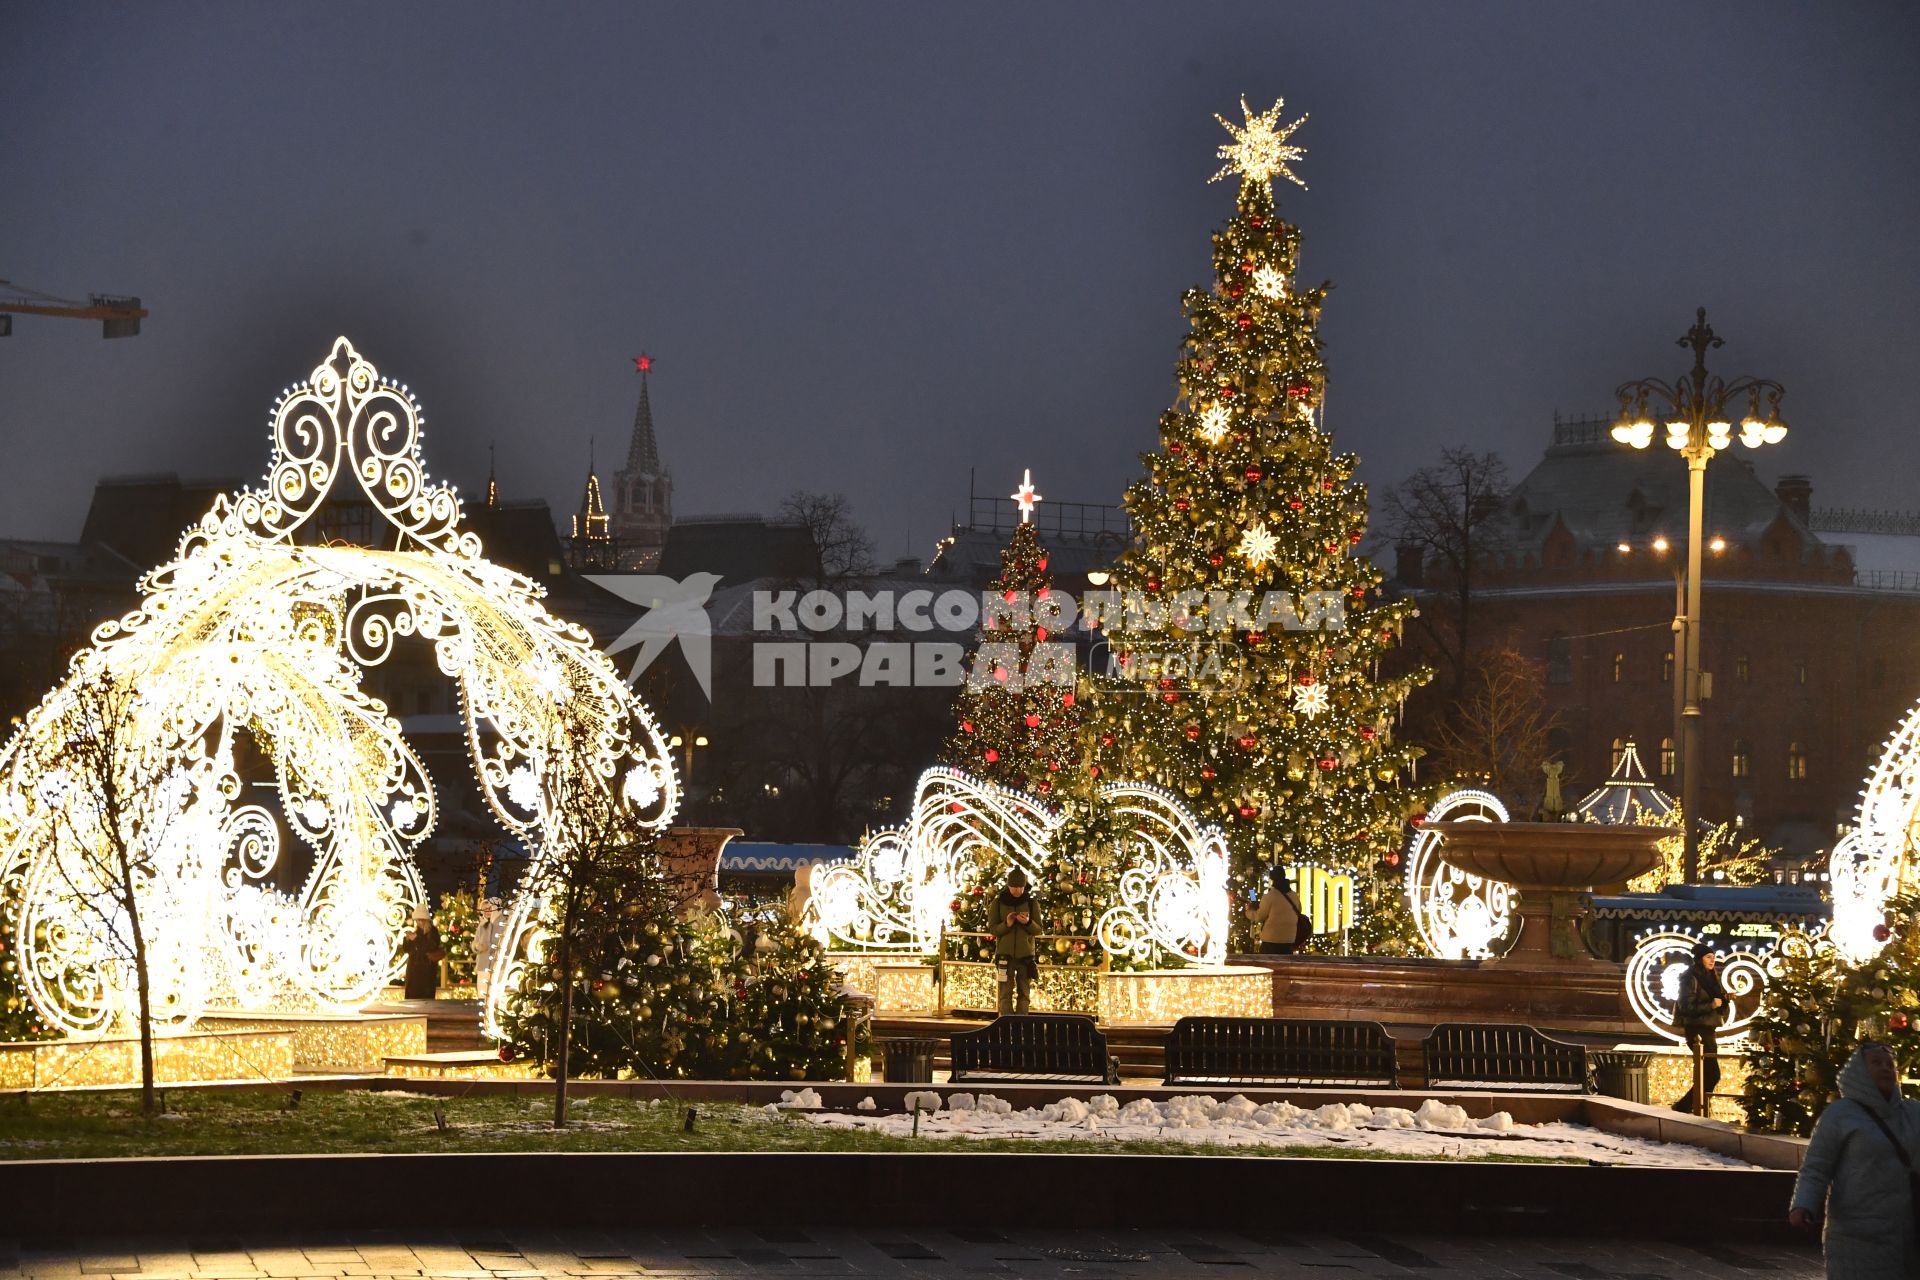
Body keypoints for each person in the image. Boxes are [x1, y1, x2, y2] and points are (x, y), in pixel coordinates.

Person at [1790, 1041, 1920, 1278]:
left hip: (1907, 1234)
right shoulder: (1840, 1115)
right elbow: (1816, 1167)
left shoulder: (1913, 1113)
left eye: (1890, 1064)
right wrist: (1803, 1205)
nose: (1885, 1068)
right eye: (1876, 1063)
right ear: (1860, 1071)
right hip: (1857, 1236)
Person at [1672, 939, 1728, 1113]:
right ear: (1699, 959)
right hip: (1697, 1031)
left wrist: (1725, 999)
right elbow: (1686, 1007)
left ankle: (1696, 1107)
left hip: (1709, 1029)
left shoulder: (1711, 976)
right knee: (1712, 1074)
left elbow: (1717, 1001)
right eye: (1709, 957)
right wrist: (1711, 1005)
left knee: (1707, 1075)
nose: (1712, 960)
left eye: (1714, 957)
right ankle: (1686, 1106)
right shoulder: (1690, 977)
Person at [987, 867, 1040, 1015]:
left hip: (1026, 957)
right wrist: (1007, 924)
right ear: (1008, 886)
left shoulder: (1031, 903)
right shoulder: (998, 903)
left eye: (1020, 887)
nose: (1017, 891)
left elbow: (1038, 930)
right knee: (1005, 993)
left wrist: (1028, 922)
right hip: (1005, 956)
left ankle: (1022, 1023)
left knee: (1024, 993)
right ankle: (1005, 1023)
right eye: (1014, 887)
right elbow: (993, 929)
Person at [1245, 868, 1304, 955]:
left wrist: (1248, 911)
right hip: (1289, 940)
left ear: (1272, 880)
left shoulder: (1270, 896)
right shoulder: (1294, 896)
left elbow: (1258, 917)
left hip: (1271, 940)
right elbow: (1298, 911)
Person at [401, 905, 443, 1000]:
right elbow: (407, 950)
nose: (419, 923)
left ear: (426, 920)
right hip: (413, 971)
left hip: (426, 971)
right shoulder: (417, 932)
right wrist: (407, 940)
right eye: (417, 920)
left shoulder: (432, 932)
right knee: (412, 997)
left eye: (421, 920)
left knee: (425, 997)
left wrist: (416, 939)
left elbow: (429, 948)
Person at [472, 897, 501, 1002]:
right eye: (484, 909)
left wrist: (493, 947)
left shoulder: (502, 924)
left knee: (496, 996)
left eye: (489, 908)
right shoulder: (482, 925)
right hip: (483, 966)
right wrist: (477, 946)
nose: (487, 912)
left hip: (497, 966)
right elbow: (475, 942)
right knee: (482, 995)